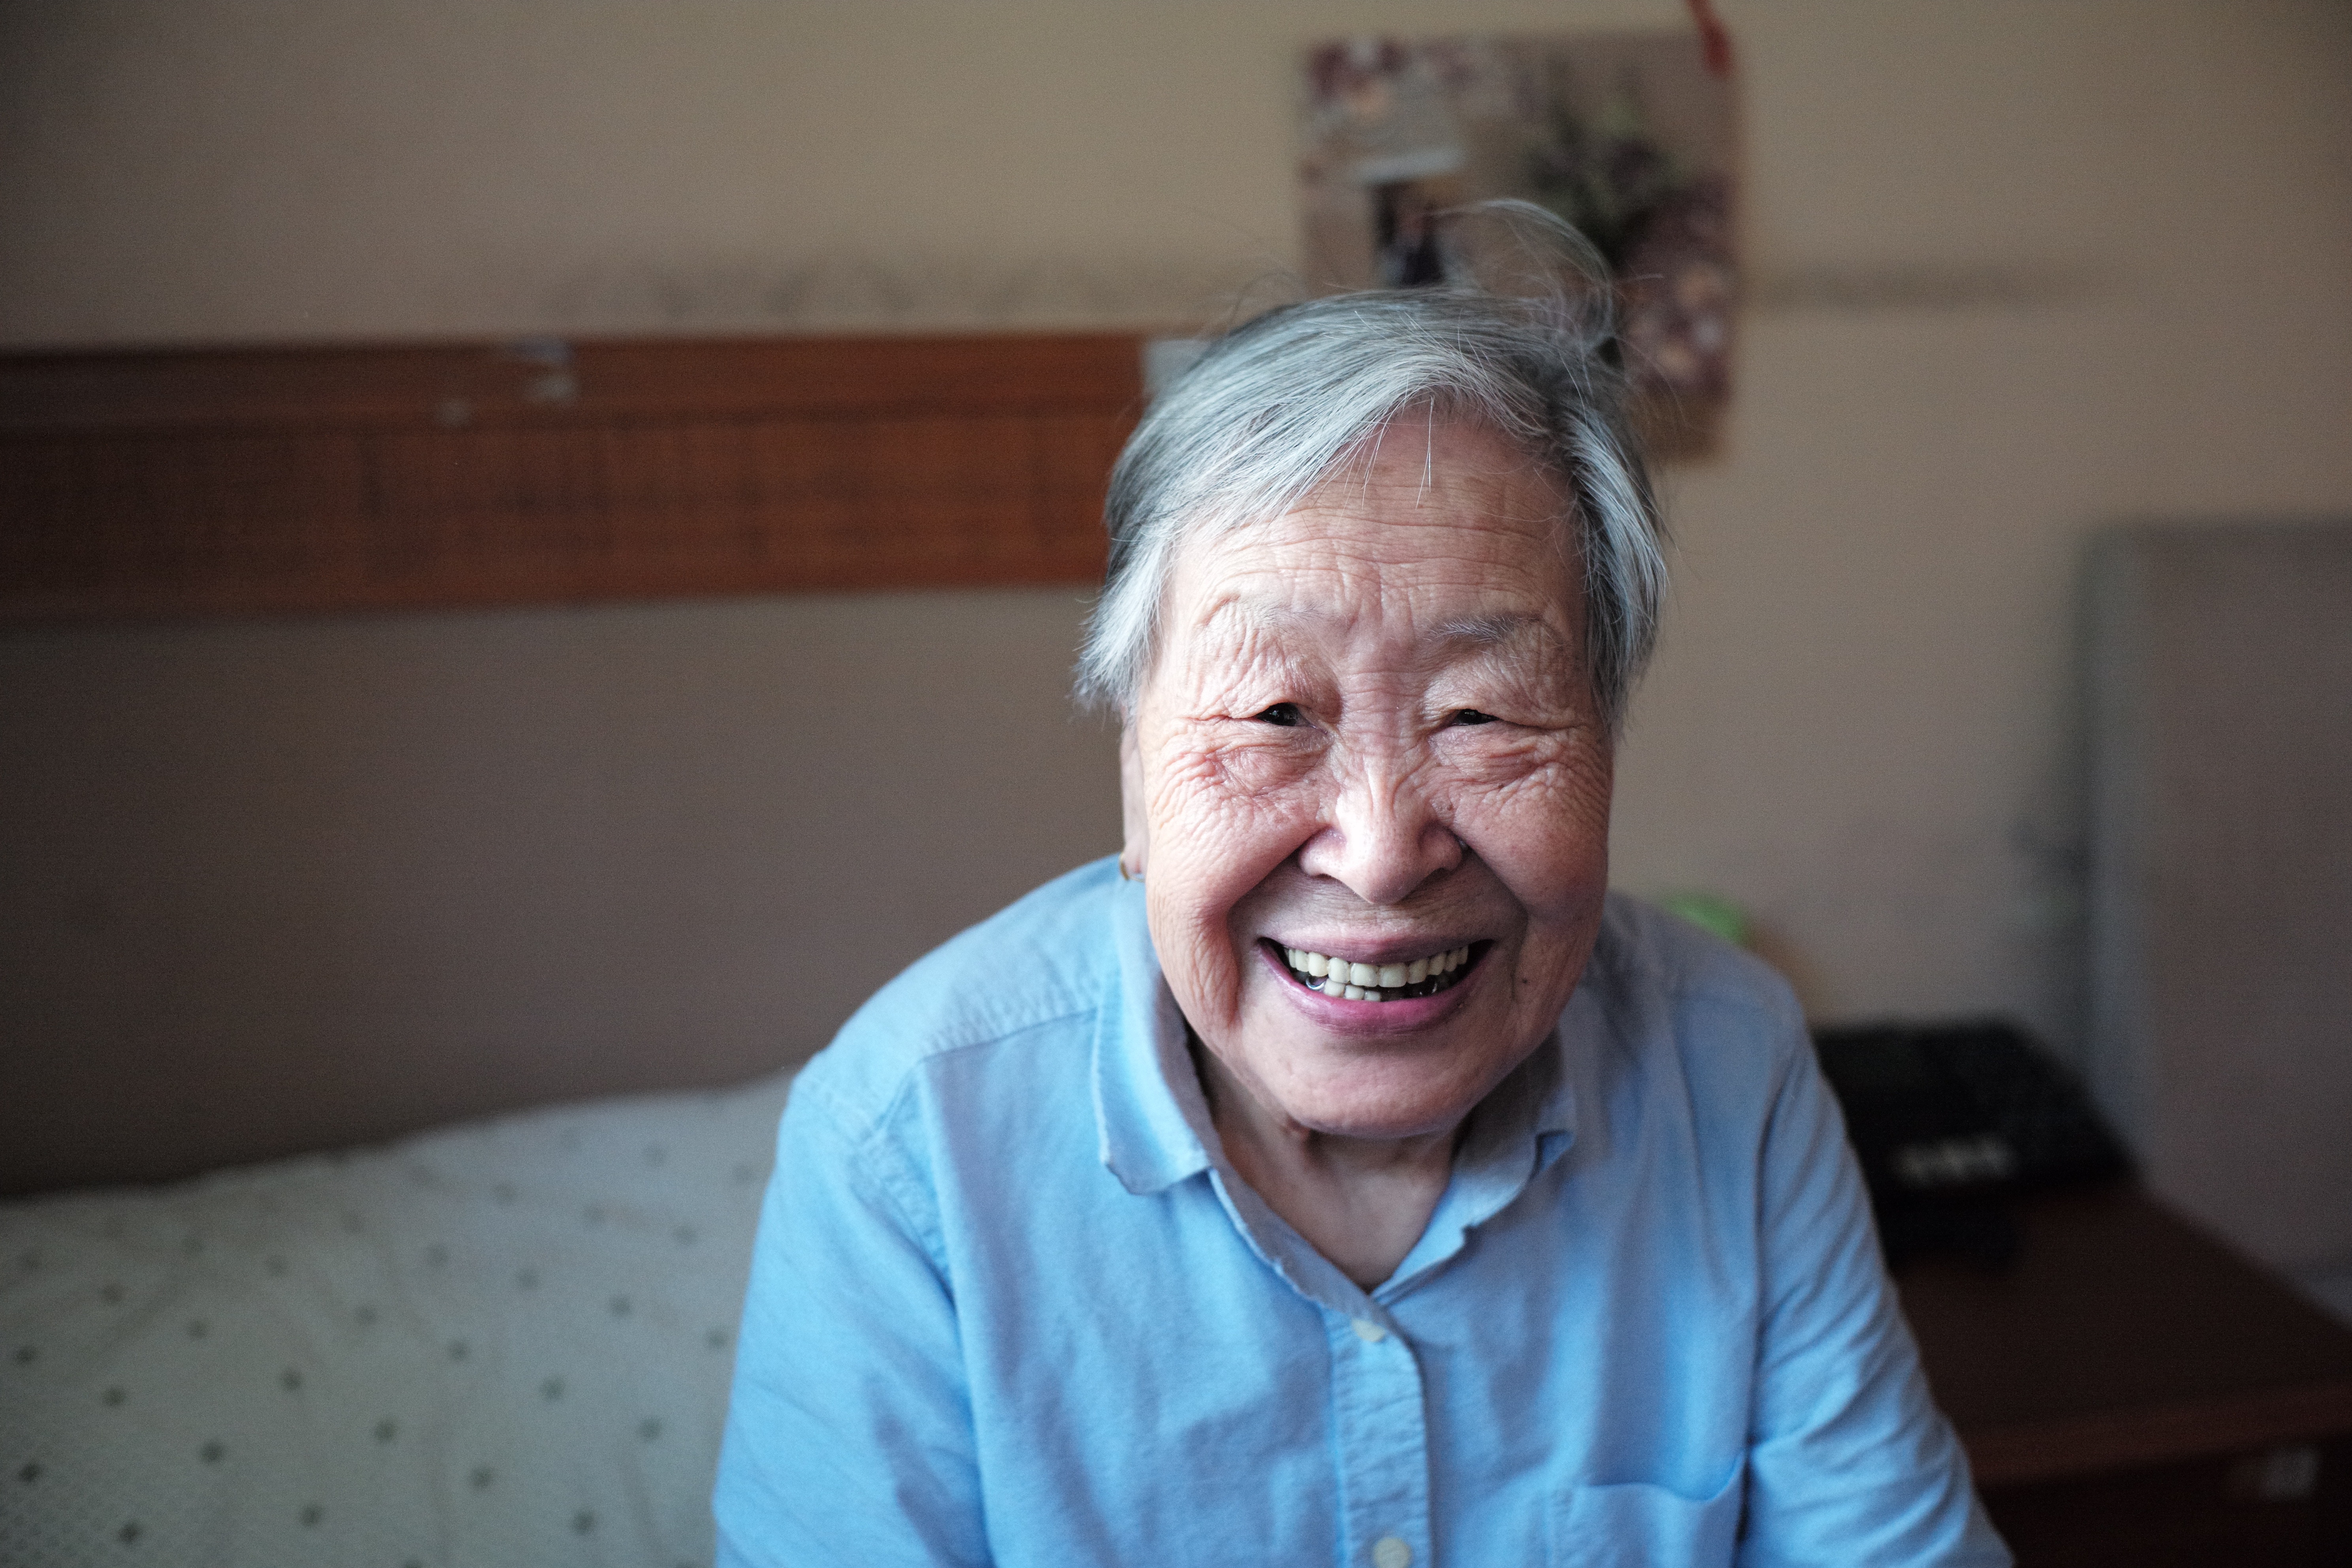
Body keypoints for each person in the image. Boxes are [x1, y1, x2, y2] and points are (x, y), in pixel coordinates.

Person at [713, 210, 2008, 1567]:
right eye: (1274, 712)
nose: (1383, 853)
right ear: (1136, 783)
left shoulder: (1725, 1064)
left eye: (1482, 715)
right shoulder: (907, 1145)